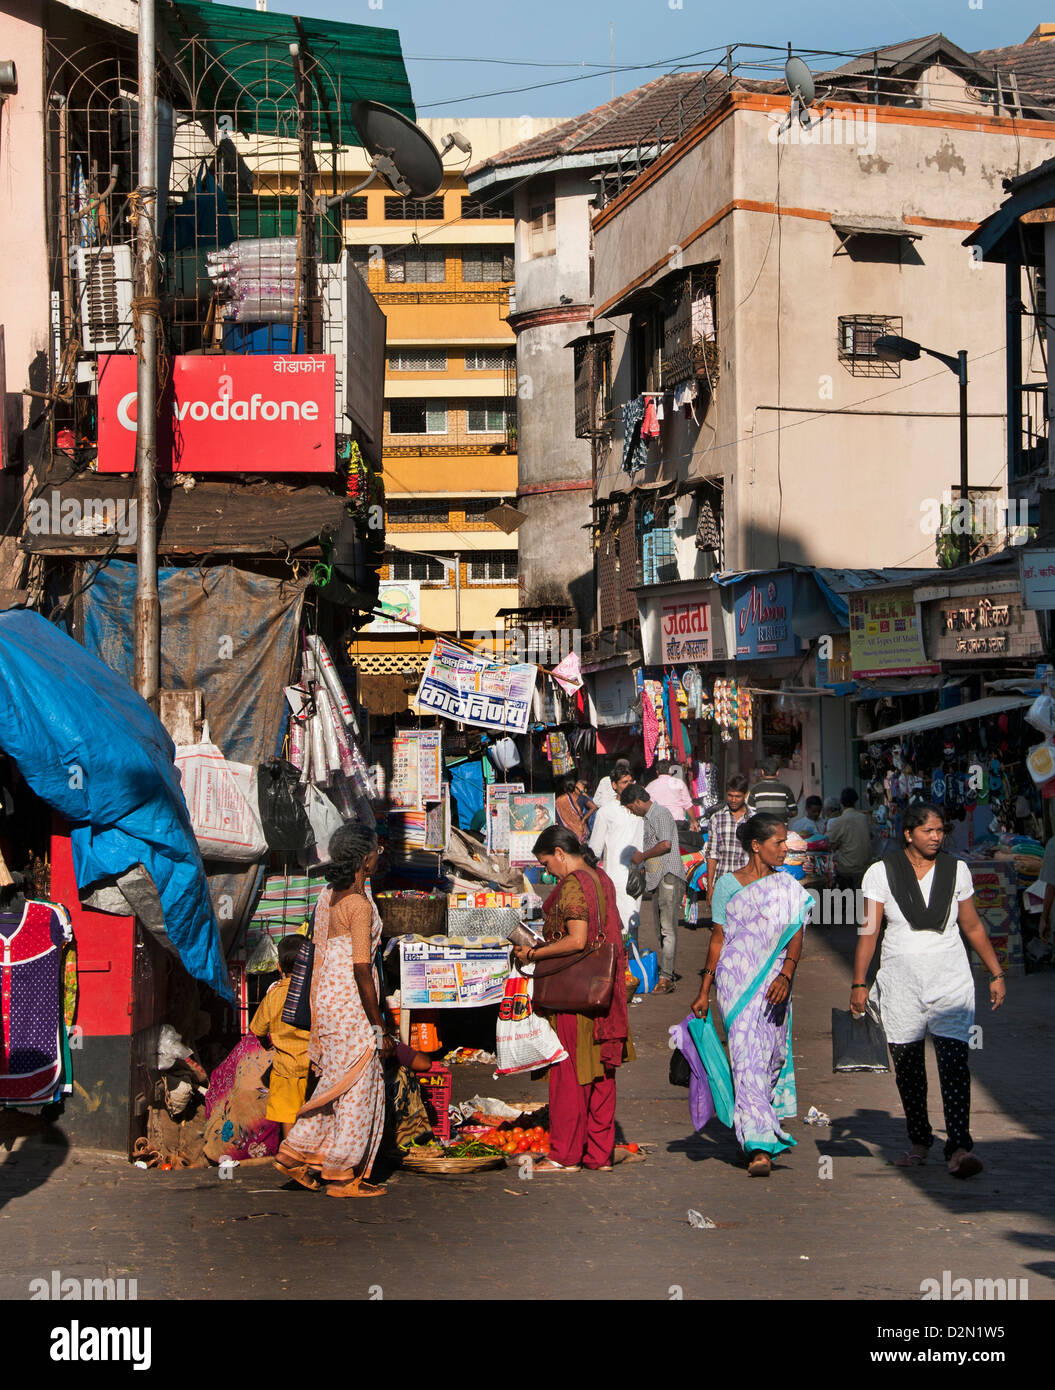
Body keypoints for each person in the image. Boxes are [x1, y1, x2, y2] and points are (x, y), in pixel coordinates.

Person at [850, 803, 1007, 1179]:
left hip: (950, 979)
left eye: (940, 831)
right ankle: (919, 1140)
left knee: (954, 1064)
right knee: (908, 1069)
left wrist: (996, 972)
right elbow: (869, 932)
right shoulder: (881, 872)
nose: (937, 837)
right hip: (901, 983)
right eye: (929, 831)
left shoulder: (957, 870)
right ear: (908, 834)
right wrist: (859, 982)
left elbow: (971, 925)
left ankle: (959, 1148)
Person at [275, 824, 392, 1198]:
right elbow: (362, 968)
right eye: (375, 849)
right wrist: (379, 1028)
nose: (379, 854)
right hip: (351, 1004)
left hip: (326, 1000)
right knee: (359, 1088)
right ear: (362, 859)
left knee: (335, 1083)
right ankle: (342, 1175)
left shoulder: (327, 896)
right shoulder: (357, 906)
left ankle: (295, 1153)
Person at [692, 813, 811, 1176]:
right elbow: (718, 939)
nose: (784, 850)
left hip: (776, 982)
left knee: (771, 1056)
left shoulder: (787, 886)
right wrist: (704, 991)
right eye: (779, 843)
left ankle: (762, 1118)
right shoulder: (728, 886)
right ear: (757, 846)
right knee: (745, 1059)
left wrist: (787, 975)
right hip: (736, 984)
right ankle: (758, 1144)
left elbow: (795, 934)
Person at [511, 826, 632, 1172]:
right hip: (604, 991)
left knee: (570, 1074)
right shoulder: (601, 877)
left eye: (548, 864)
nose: (549, 872)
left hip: (577, 993)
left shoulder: (576, 883)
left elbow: (578, 940)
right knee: (601, 1073)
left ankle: (565, 1155)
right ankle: (598, 1154)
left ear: (560, 853)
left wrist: (535, 952)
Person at [622, 783, 687, 994]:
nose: (632, 811)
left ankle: (666, 977)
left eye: (632, 807)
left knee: (667, 928)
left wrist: (642, 857)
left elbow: (665, 844)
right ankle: (665, 972)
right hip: (657, 876)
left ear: (639, 802)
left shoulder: (660, 814)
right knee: (661, 928)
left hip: (669, 875)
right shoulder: (648, 817)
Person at [249, 934, 312, 1140]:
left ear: (278, 967)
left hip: (285, 1070)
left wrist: (267, 1043)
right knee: (316, 1117)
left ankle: (291, 1158)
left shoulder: (274, 995)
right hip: (314, 1067)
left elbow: (257, 1030)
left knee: (288, 1117)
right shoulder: (315, 992)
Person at [588, 766, 643, 942]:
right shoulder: (606, 812)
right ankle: (622, 962)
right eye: (624, 782)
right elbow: (595, 847)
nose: (628, 785)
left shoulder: (641, 808)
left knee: (634, 921)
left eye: (630, 781)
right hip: (615, 876)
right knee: (620, 924)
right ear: (614, 785)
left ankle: (632, 964)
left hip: (637, 874)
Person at [706, 774, 750, 907]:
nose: (733, 800)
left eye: (738, 796)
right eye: (730, 795)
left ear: (746, 795)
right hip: (723, 881)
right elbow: (712, 854)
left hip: (747, 884)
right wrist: (710, 886)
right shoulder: (716, 818)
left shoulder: (754, 819)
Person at [827, 786, 873, 893]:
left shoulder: (838, 821)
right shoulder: (864, 818)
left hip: (846, 869)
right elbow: (870, 837)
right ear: (855, 802)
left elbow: (830, 845)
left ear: (841, 802)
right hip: (864, 867)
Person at [645, 761, 700, 828]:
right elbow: (688, 805)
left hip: (658, 824)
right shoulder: (678, 783)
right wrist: (694, 822)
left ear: (657, 772)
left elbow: (646, 805)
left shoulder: (650, 786)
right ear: (670, 770)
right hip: (677, 823)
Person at [555, 777, 594, 842]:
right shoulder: (580, 797)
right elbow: (593, 807)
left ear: (564, 788)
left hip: (567, 835)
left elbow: (557, 818)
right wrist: (584, 819)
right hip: (581, 833)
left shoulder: (559, 800)